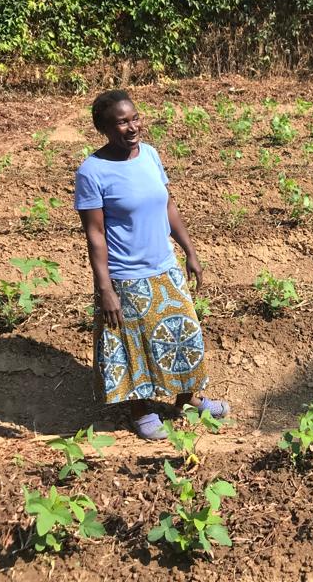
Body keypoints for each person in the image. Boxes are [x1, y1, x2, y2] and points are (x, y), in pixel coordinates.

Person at [74, 89, 229, 439]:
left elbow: (168, 205)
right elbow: (95, 236)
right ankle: (140, 411)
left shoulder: (151, 155)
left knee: (184, 336)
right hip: (127, 276)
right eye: (122, 122)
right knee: (134, 346)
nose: (132, 127)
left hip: (165, 266)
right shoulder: (92, 172)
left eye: (135, 118)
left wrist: (189, 251)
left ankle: (187, 400)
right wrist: (105, 288)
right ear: (104, 128)